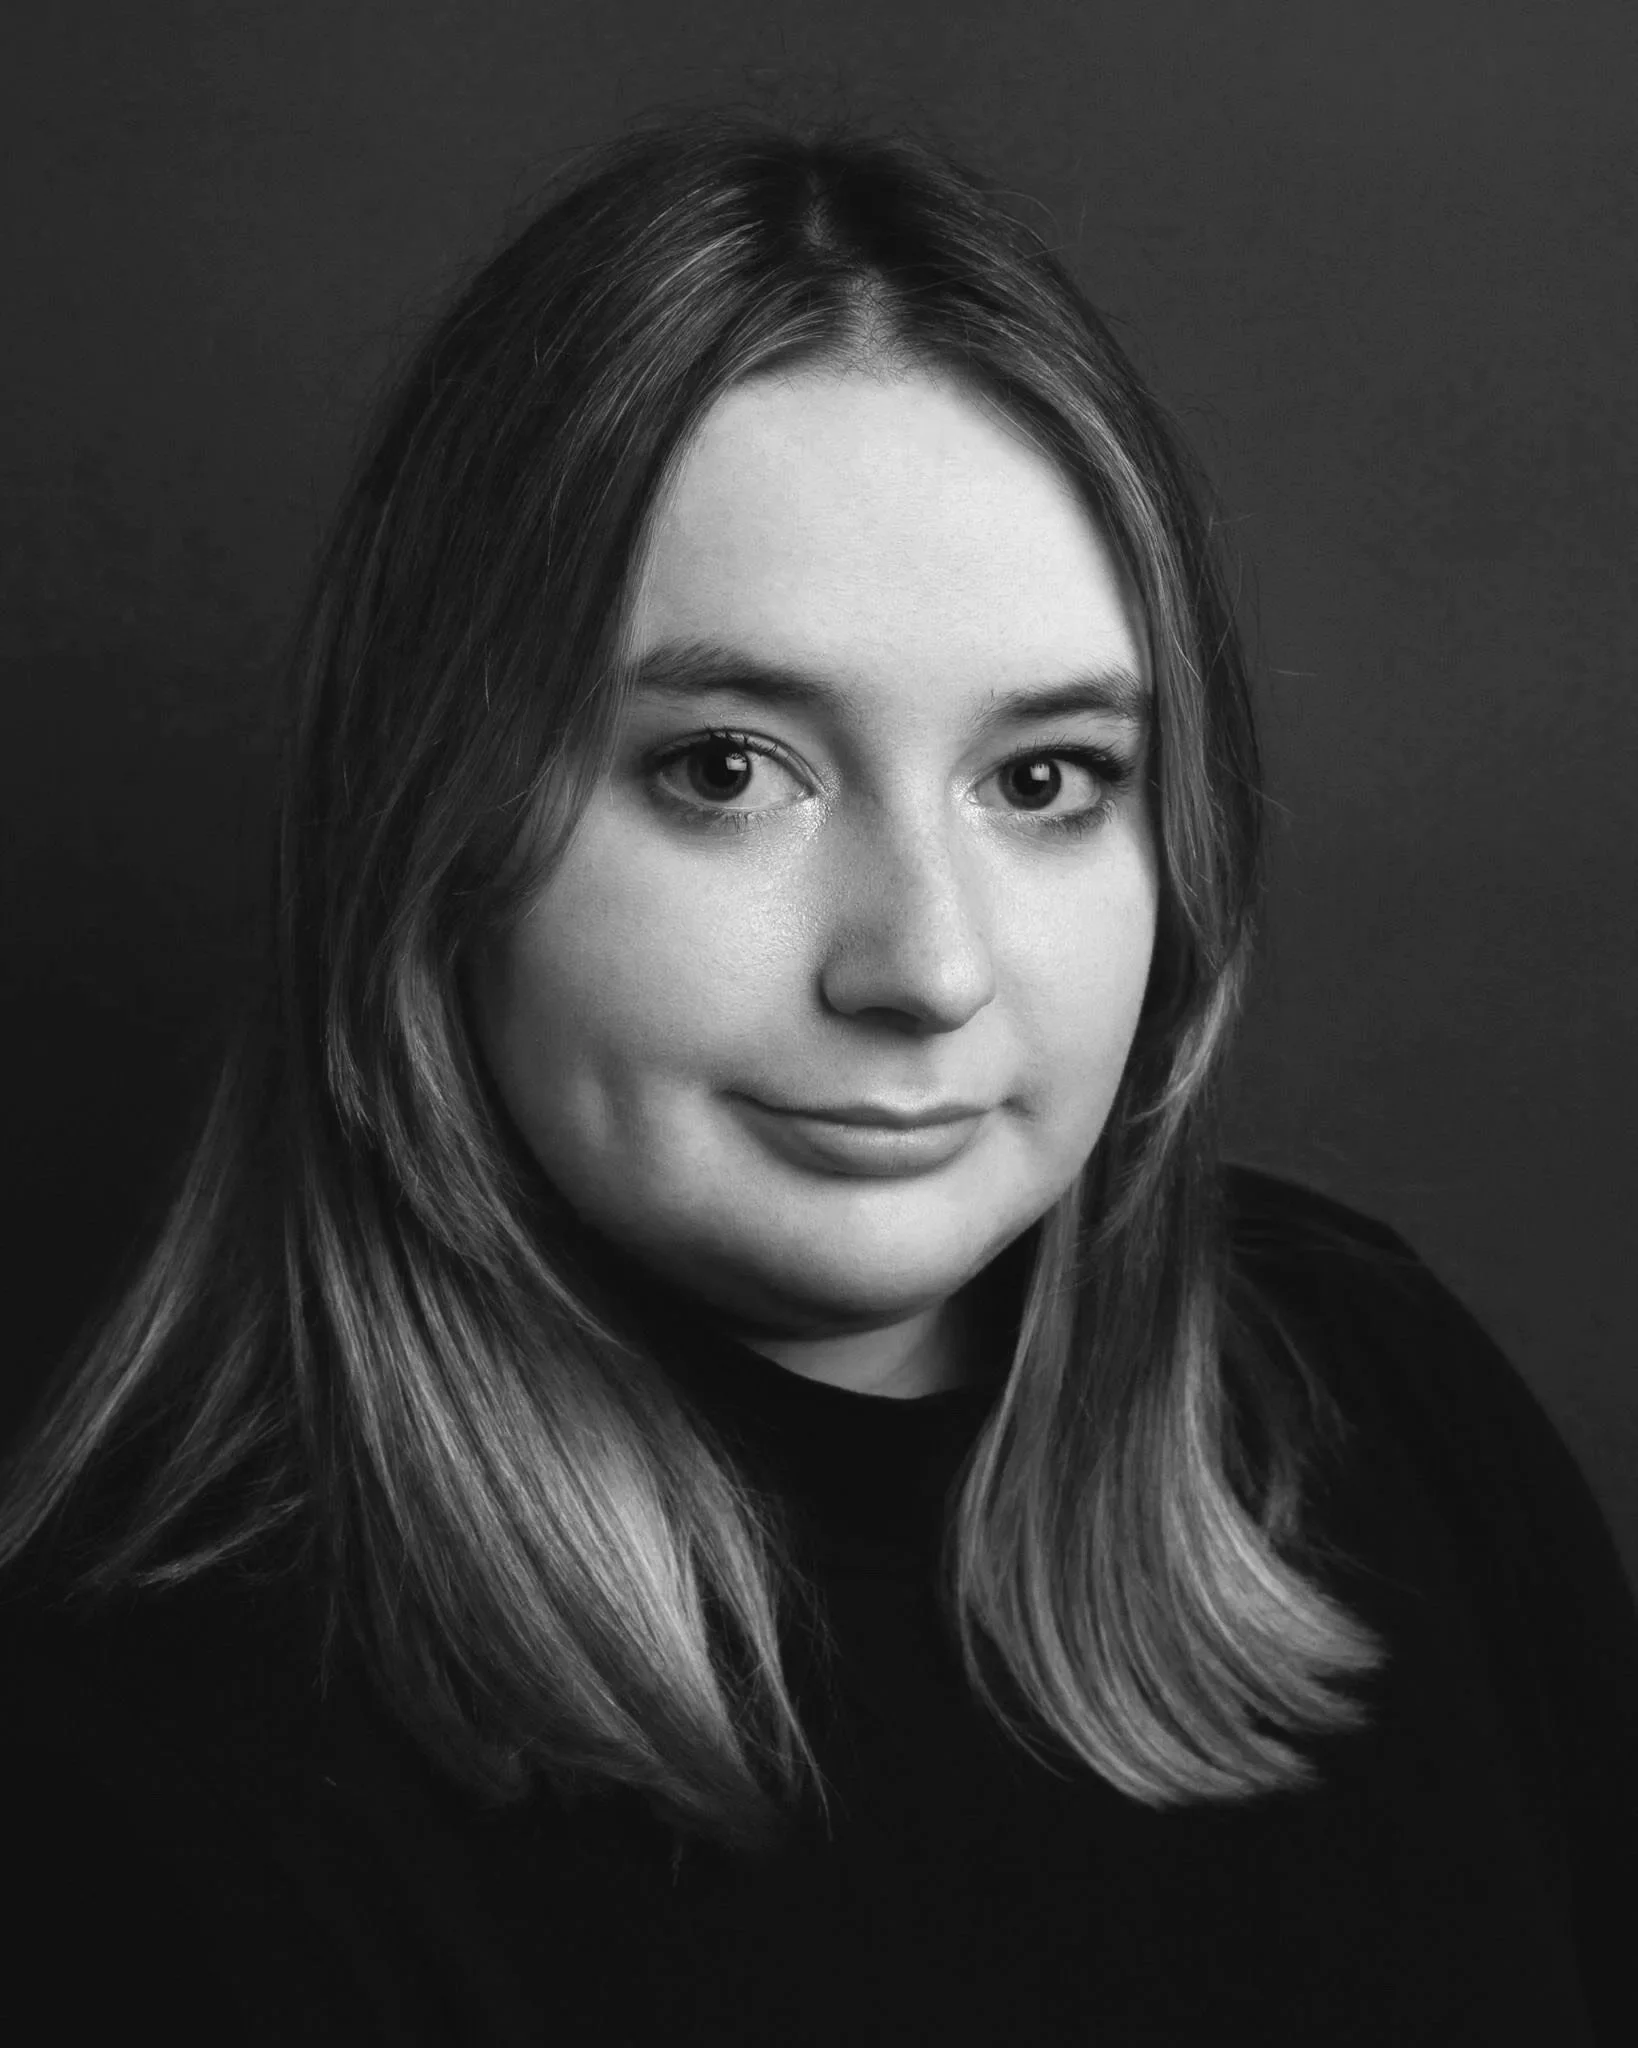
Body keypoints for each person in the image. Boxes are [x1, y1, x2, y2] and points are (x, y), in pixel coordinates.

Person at [2, 111, 1634, 2048]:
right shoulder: (142, 1783)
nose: (925, 967)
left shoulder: (1364, 1389)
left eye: (1044, 779)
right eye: (726, 769)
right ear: (426, 831)